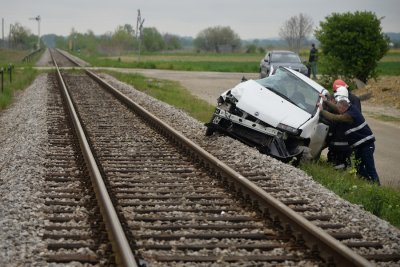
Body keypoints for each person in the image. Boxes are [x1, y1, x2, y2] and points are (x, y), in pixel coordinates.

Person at [318, 97, 380, 185]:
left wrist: (322, 111)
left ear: (343, 108)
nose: (338, 110)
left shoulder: (349, 115)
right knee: (359, 167)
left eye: (339, 109)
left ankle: (376, 185)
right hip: (360, 146)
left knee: (370, 168)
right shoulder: (350, 108)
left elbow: (335, 117)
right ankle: (367, 183)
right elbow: (337, 108)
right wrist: (325, 101)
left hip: (366, 145)